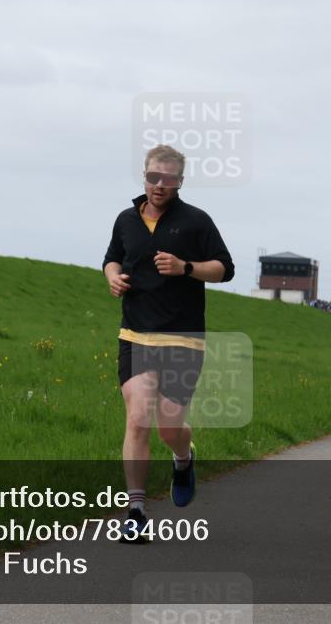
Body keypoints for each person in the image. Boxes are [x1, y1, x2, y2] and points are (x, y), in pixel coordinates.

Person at [103, 144, 234, 543]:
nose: (159, 185)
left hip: (183, 338)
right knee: (138, 416)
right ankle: (136, 511)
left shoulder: (196, 221)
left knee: (169, 427)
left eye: (168, 178)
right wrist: (112, 277)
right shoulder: (126, 220)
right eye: (153, 177)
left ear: (180, 181)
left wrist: (185, 267)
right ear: (144, 176)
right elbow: (112, 258)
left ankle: (183, 457)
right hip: (136, 335)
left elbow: (225, 269)